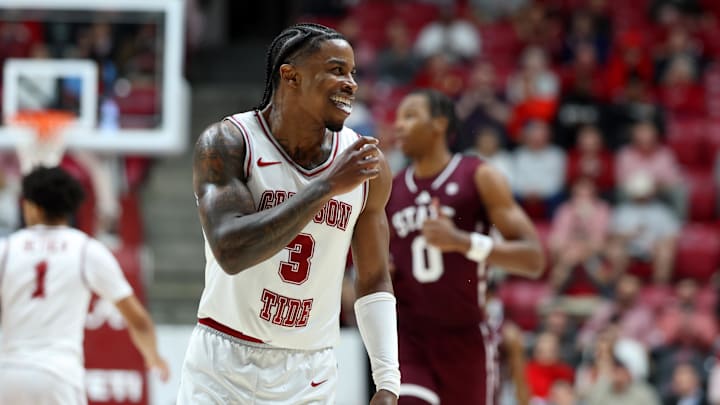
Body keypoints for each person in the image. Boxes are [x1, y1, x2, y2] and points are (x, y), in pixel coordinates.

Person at [178, 23, 399, 404]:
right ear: (290, 75)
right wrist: (326, 186)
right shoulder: (229, 142)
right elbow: (231, 251)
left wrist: (387, 381)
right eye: (335, 70)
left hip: (309, 371)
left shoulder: (366, 165)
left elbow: (374, 277)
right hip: (223, 363)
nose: (350, 83)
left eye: (352, 73)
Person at [387, 89, 544, 404]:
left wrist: (462, 242)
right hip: (410, 337)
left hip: (466, 337)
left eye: (410, 116)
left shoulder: (479, 176)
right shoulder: (390, 189)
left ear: (439, 124)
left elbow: (534, 258)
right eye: (398, 118)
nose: (399, 126)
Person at [0, 166, 169, 404]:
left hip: (9, 375)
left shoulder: (6, 249)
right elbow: (138, 319)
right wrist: (153, 357)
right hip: (59, 375)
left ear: (30, 206)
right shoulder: (86, 250)